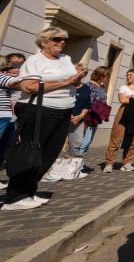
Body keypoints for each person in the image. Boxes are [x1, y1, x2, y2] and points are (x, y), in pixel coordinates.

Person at [3, 29, 86, 210]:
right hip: (39, 110)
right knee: (30, 152)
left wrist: (77, 79)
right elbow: (28, 86)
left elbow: (71, 80)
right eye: (57, 39)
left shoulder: (65, 59)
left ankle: (30, 191)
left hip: (63, 110)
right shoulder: (34, 61)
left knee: (49, 154)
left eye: (65, 39)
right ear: (43, 42)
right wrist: (66, 81)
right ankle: (15, 196)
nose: (62, 42)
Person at [102, 69, 134, 172]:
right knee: (116, 137)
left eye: (131, 75)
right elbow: (122, 100)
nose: (128, 77)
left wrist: (131, 96)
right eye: (127, 75)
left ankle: (127, 162)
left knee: (132, 138)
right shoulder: (123, 87)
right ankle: (109, 163)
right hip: (124, 112)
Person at [0, 54, 28, 191]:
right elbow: (15, 83)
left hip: (7, 116)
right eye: (11, 65)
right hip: (2, 116)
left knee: (4, 147)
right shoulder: (3, 77)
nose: (15, 67)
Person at [74, 66, 110, 157]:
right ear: (100, 75)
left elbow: (103, 100)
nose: (107, 78)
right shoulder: (88, 85)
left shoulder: (102, 87)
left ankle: (80, 163)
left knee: (88, 140)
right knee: (82, 141)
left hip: (96, 117)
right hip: (87, 116)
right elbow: (86, 101)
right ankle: (77, 163)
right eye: (105, 76)